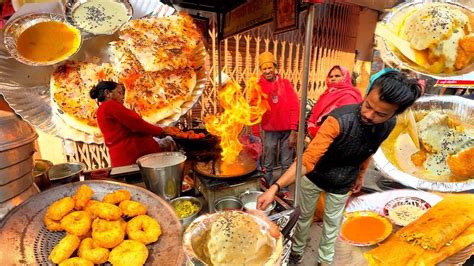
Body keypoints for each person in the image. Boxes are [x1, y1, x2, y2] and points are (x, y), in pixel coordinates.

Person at [257, 69, 421, 265]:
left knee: (332, 224)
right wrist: (275, 188)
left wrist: (360, 176)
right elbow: (309, 159)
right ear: (367, 94)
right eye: (367, 105)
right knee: (303, 218)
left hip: (344, 181)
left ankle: (324, 260)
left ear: (394, 113)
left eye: (380, 114)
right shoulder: (339, 119)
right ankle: (297, 252)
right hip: (314, 176)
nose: (369, 115)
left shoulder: (389, 125)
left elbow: (369, 150)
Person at [251, 51, 300, 198]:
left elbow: (294, 106)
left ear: (275, 67)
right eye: (264, 68)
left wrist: (293, 131)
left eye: (270, 67)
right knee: (268, 160)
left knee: (286, 161)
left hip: (287, 130)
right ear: (261, 70)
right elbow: (254, 110)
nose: (267, 71)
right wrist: (255, 134)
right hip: (270, 130)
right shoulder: (257, 87)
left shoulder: (285, 84)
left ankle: (283, 189)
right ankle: (268, 186)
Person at [90, 81, 171, 167]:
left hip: (127, 159)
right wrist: (161, 131)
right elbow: (137, 124)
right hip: (132, 160)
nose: (123, 97)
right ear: (107, 93)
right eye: (119, 92)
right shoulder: (110, 105)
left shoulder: (102, 110)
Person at [307, 65, 362, 138]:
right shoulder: (327, 93)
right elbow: (314, 113)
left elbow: (345, 122)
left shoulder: (349, 95)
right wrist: (311, 128)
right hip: (317, 135)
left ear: (345, 77)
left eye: (337, 76)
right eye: (331, 76)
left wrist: (320, 132)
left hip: (334, 137)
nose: (333, 79)